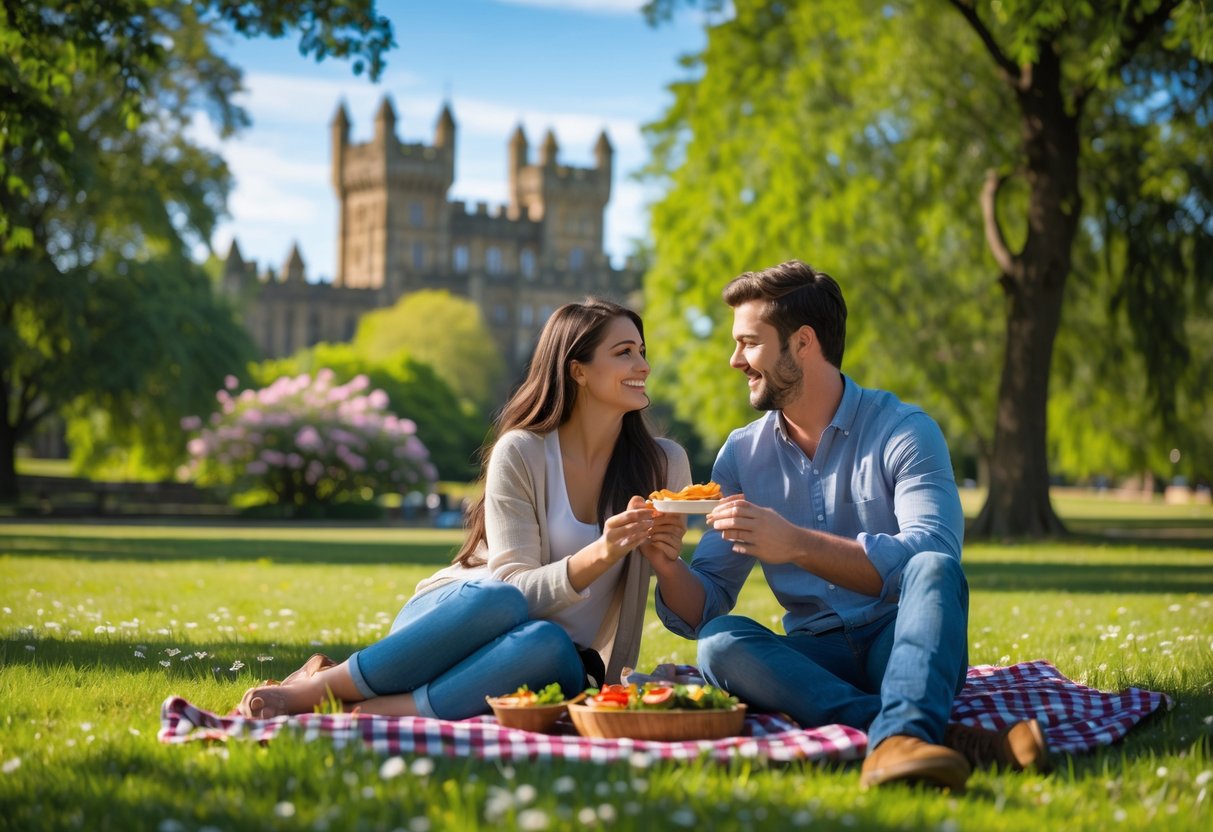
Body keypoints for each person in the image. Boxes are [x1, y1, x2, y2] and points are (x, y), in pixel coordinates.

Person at [643, 261, 1047, 792]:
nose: (734, 360)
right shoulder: (741, 455)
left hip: (901, 637)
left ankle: (900, 732)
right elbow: (708, 602)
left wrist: (795, 545)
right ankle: (916, 735)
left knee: (932, 567)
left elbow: (932, 556)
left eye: (749, 343)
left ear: (803, 342)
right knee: (720, 642)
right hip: (814, 654)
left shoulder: (905, 430)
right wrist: (668, 567)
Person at [237, 300, 691, 719]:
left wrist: (667, 565)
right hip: (452, 622)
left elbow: (691, 615)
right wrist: (603, 552)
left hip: (533, 652)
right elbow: (515, 589)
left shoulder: (664, 464)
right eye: (625, 352)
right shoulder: (522, 452)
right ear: (578, 371)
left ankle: (384, 709)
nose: (643, 366)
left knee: (553, 647)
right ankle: (317, 691)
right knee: (501, 597)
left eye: (642, 351)